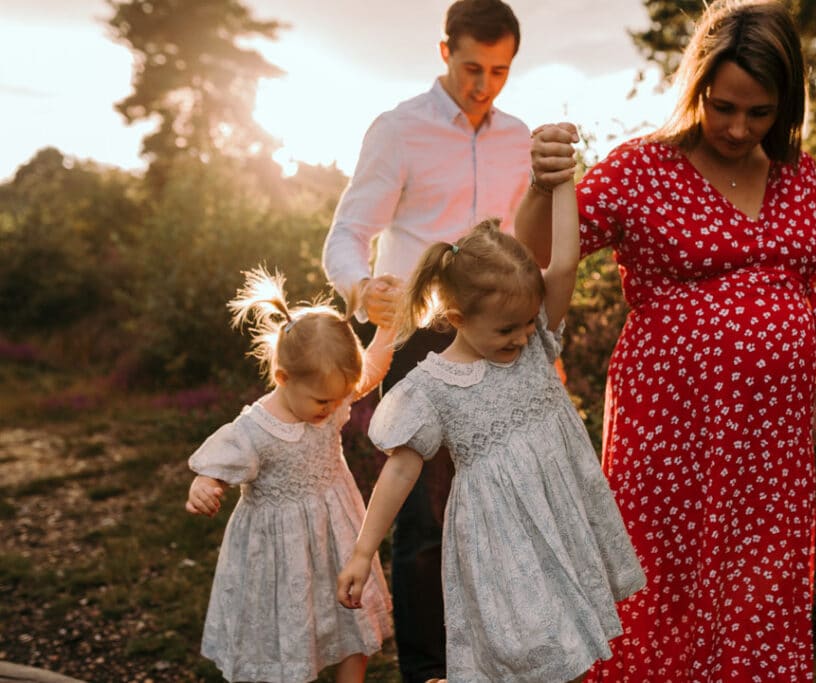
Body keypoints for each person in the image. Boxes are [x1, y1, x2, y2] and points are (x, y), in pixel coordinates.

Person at [516, 1, 816, 680]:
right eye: (723, 105)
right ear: (697, 86)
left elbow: (808, 288)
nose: (738, 127)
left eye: (758, 111)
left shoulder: (799, 175)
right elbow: (535, 256)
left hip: (771, 442)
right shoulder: (642, 169)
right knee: (662, 578)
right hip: (671, 434)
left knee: (762, 581)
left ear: (784, 105)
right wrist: (540, 184)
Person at [336, 185, 647, 683]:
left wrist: (562, 182)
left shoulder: (534, 339)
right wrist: (362, 550)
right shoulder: (432, 386)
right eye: (507, 329)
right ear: (457, 319)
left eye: (527, 323)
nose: (523, 337)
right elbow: (400, 469)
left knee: (566, 638)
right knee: (521, 647)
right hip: (498, 541)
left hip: (557, 516)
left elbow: (564, 264)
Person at [321, 1, 530, 680]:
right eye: (473, 67)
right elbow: (346, 236)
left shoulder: (518, 138)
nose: (484, 85)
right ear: (445, 52)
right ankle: (428, 669)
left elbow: (525, 246)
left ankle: (497, 658)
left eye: (499, 71)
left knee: (503, 514)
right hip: (420, 345)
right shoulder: (398, 129)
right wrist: (360, 288)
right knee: (425, 519)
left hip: (503, 343)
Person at [185, 267, 394, 683]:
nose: (334, 408)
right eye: (323, 400)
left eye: (339, 398)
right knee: (290, 641)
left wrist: (388, 330)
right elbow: (215, 466)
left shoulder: (329, 398)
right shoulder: (255, 429)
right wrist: (204, 486)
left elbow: (370, 370)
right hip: (280, 557)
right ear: (283, 378)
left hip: (338, 536)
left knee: (352, 625)